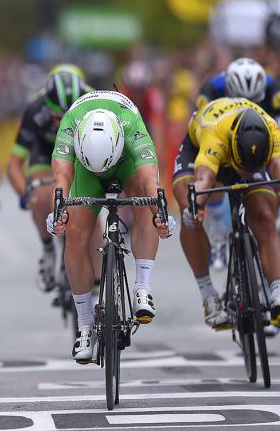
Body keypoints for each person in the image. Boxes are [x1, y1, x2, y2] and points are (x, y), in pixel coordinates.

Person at [48, 90, 175, 363]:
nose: (100, 176)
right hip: (84, 164)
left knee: (146, 206)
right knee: (75, 232)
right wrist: (57, 213)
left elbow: (151, 183)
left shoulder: (131, 126)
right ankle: (84, 326)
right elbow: (60, 179)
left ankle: (142, 287)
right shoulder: (70, 126)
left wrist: (160, 215)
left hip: (126, 161)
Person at [172, 97, 280, 331]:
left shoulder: (272, 129)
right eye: (244, 170)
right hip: (200, 149)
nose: (247, 175)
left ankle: (278, 295)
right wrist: (196, 206)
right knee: (189, 211)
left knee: (266, 217)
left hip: (246, 150)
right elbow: (204, 179)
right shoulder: (215, 134)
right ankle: (208, 294)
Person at [196, 57, 280, 271]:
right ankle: (216, 226)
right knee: (212, 169)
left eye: (254, 100)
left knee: (270, 204)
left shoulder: (273, 88)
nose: (248, 106)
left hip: (261, 139)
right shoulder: (211, 89)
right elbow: (201, 135)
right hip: (221, 137)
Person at [7, 70, 93, 292]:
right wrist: (26, 195)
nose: (63, 123)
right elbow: (15, 164)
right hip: (46, 154)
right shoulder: (35, 110)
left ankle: (96, 284)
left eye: (70, 117)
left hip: (85, 151)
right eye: (57, 118)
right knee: (41, 198)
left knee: (92, 214)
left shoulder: (95, 103)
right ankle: (48, 250)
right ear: (47, 107)